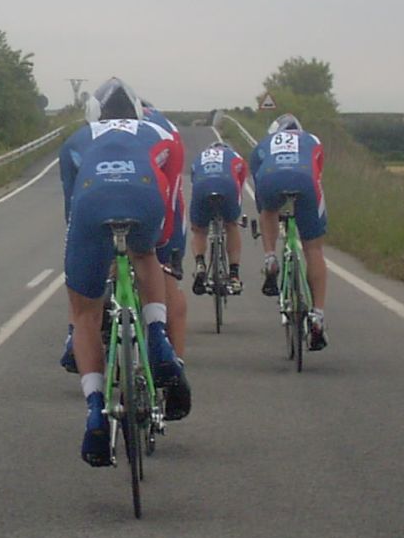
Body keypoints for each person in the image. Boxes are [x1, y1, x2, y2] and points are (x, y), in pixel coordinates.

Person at [59, 77, 189, 466]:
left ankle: (95, 410)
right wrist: (166, 246)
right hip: (145, 199)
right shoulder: (159, 132)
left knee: (84, 312)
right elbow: (173, 198)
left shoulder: (77, 139)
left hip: (92, 207)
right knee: (147, 254)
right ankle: (157, 336)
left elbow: (71, 210)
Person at [247, 113, 329, 350]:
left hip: (270, 179)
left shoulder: (263, 144)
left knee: (268, 211)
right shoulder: (311, 139)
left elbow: (258, 185)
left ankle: (270, 257)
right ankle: (318, 315)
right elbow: (317, 174)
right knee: (313, 249)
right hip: (304, 179)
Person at [141, 102, 192, 421]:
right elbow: (173, 187)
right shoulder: (165, 128)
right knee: (166, 278)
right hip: (162, 204)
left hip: (108, 205)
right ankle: (176, 371)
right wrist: (166, 239)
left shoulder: (98, 128)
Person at [189, 140, 249, 296]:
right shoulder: (234, 156)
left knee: (199, 230)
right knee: (232, 225)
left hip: (202, 186)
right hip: (227, 185)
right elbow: (240, 185)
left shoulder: (200, 157)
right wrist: (233, 215)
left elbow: (193, 181)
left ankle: (200, 264)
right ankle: (234, 274)